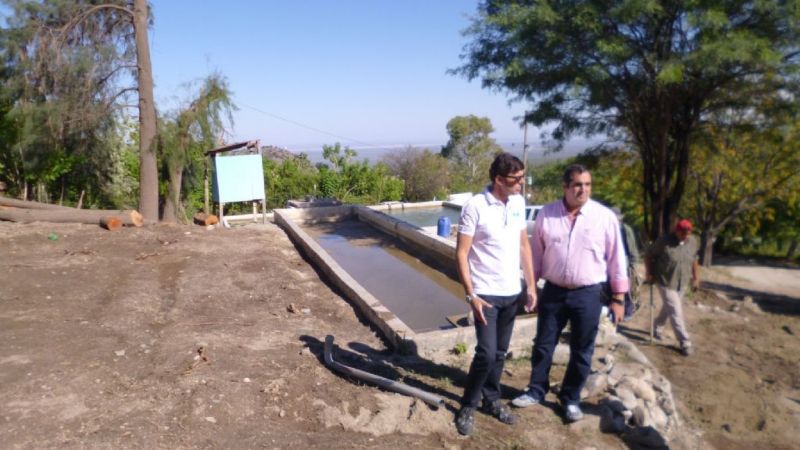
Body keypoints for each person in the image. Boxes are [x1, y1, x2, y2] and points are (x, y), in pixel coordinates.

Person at [511, 164, 628, 423]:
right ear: (565, 187)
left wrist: (619, 298)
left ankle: (570, 398)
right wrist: (531, 287)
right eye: (577, 185)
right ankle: (536, 390)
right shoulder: (547, 214)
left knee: (582, 349)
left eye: (587, 185)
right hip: (553, 291)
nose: (583, 190)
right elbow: (537, 253)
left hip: (588, 294)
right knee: (543, 344)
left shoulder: (604, 217)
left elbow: (616, 259)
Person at [454, 153, 537, 436]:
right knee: (486, 353)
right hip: (485, 295)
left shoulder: (517, 203)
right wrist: (471, 295)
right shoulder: (475, 206)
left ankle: (492, 401)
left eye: (522, 177)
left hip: (512, 292)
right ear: (499, 180)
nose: (522, 184)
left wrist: (531, 285)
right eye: (516, 179)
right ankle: (468, 405)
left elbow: (524, 245)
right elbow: (462, 253)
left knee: (500, 353)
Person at [645, 219, 700, 357]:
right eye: (682, 233)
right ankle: (685, 342)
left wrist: (696, 278)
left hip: (682, 281)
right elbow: (649, 255)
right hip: (665, 281)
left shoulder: (693, 241)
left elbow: (694, 260)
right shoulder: (664, 241)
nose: (685, 236)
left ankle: (657, 327)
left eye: (687, 233)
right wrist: (649, 273)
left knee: (669, 308)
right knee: (676, 311)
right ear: (676, 231)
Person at [611, 207, 642, 321]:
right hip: (609, 261)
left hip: (624, 260)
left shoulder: (625, 229)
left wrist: (634, 264)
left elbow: (632, 248)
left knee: (627, 287)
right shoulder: (605, 227)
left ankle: (627, 311)